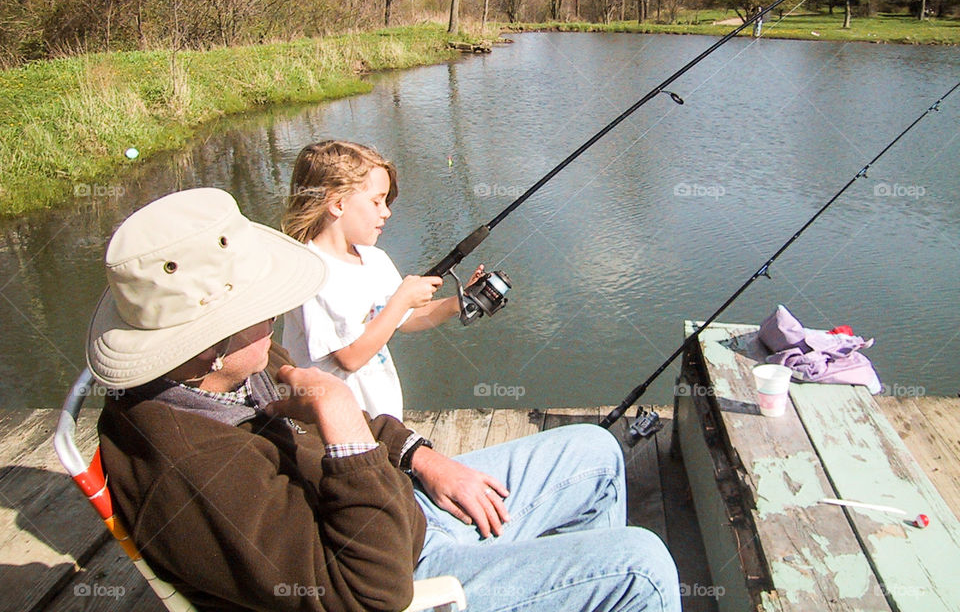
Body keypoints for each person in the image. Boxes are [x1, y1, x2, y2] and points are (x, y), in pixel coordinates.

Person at [88, 187, 681, 612]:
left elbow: (306, 400)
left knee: (598, 453)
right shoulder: (192, 470)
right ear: (205, 344)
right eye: (258, 310)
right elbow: (364, 593)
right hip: (406, 573)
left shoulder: (220, 375)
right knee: (642, 568)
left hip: (403, 503)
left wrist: (423, 457)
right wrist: (339, 412)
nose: (273, 316)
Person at [281, 140, 482, 420]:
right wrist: (401, 301)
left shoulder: (373, 258)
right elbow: (349, 357)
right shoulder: (313, 272)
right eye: (377, 201)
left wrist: (458, 302)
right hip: (331, 426)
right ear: (337, 204)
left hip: (379, 417)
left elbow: (404, 319)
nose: (386, 212)